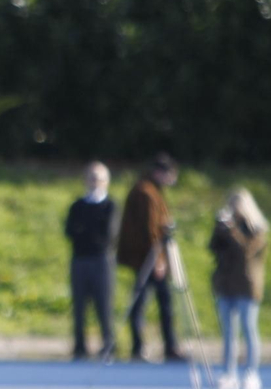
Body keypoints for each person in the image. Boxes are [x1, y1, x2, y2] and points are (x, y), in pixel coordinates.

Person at [117, 153, 183, 363]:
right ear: (159, 173)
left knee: (156, 301)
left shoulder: (150, 190)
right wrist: (158, 260)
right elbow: (150, 229)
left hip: (147, 257)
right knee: (148, 302)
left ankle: (159, 345)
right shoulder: (146, 193)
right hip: (148, 258)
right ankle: (149, 346)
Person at [209, 188, 269, 389]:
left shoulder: (256, 228)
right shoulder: (226, 227)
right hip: (226, 285)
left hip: (247, 285)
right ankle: (228, 373)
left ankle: (251, 373)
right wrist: (219, 229)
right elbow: (213, 248)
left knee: (248, 329)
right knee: (228, 332)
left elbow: (244, 251)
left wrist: (232, 230)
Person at [64, 161, 117, 361]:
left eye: (99, 179)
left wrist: (85, 232)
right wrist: (86, 233)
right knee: (79, 305)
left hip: (101, 261)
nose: (94, 182)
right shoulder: (78, 205)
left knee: (103, 304)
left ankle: (108, 345)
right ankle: (79, 346)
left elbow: (108, 235)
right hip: (80, 259)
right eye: (91, 178)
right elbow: (70, 231)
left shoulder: (110, 205)